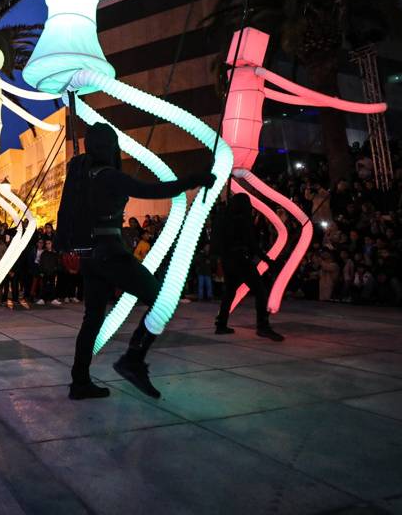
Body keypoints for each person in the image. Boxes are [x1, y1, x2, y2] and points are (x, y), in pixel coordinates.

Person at [62, 122, 215, 401]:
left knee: (92, 320)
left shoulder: (82, 174)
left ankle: (80, 381)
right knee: (161, 300)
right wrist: (194, 180)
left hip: (90, 256)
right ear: (110, 147)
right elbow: (152, 190)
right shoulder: (108, 176)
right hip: (109, 253)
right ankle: (133, 359)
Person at [213, 193, 284, 341]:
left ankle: (221, 324)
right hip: (241, 260)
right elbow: (252, 243)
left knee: (230, 292)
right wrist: (267, 260)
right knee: (260, 291)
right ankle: (263, 326)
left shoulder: (223, 218)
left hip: (229, 261)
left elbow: (218, 242)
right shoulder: (242, 220)